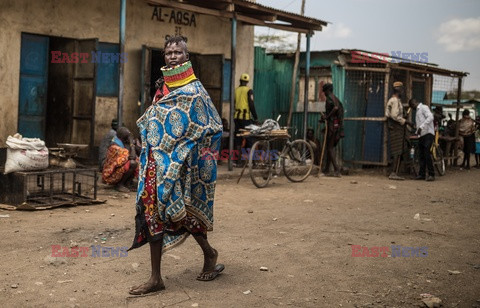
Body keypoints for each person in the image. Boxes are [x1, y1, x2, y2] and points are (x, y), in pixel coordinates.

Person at [129, 36, 224, 295]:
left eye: (178, 52)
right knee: (153, 214)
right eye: (169, 52)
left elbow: (212, 125)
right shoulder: (163, 87)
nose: (172, 56)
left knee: (184, 215)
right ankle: (156, 277)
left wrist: (185, 148)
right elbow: (157, 120)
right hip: (155, 163)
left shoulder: (195, 90)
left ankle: (209, 253)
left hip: (183, 165)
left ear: (187, 56)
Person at [385, 81, 411, 180]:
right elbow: (394, 115)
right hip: (396, 127)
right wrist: (406, 121)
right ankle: (393, 172)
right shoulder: (395, 101)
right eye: (402, 89)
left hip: (397, 127)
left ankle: (395, 172)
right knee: (397, 150)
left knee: (399, 149)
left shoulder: (396, 100)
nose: (403, 91)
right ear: (398, 89)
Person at [101, 126, 138, 192]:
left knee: (137, 161)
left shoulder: (123, 143)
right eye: (128, 137)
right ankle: (120, 184)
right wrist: (132, 144)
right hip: (111, 174)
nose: (129, 139)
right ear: (123, 138)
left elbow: (136, 154)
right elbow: (132, 156)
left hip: (118, 169)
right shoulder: (115, 146)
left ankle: (127, 183)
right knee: (133, 163)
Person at [234, 73, 257, 166]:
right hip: (245, 118)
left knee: (238, 138)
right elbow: (251, 104)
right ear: (247, 82)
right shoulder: (249, 90)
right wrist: (255, 117)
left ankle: (238, 161)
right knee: (249, 138)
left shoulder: (236, 90)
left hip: (236, 117)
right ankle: (250, 161)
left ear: (240, 81)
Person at [408, 99, 435, 181]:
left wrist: (421, 127)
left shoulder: (424, 107)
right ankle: (421, 174)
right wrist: (417, 131)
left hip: (428, 134)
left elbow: (431, 117)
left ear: (414, 103)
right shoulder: (418, 111)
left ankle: (431, 174)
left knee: (427, 154)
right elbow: (420, 123)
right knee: (421, 155)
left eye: (412, 106)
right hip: (422, 135)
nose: (412, 108)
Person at [321, 83, 344, 177]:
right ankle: (326, 169)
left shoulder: (329, 99)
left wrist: (327, 117)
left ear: (327, 91)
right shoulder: (335, 98)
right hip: (336, 125)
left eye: (324, 91)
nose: (323, 93)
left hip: (332, 127)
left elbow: (335, 109)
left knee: (330, 148)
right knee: (329, 147)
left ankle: (337, 170)